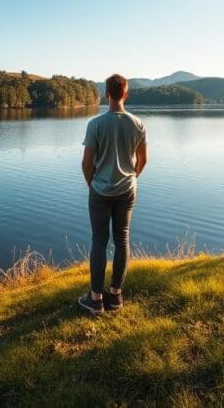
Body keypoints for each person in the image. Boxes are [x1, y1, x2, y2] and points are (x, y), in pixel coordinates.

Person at [78, 74, 147, 315]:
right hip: (127, 190)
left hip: (100, 190)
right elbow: (143, 160)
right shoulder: (138, 123)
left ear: (106, 94)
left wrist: (92, 185)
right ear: (126, 94)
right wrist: (132, 177)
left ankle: (96, 300)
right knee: (122, 240)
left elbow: (86, 164)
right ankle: (116, 296)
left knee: (99, 241)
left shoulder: (95, 124)